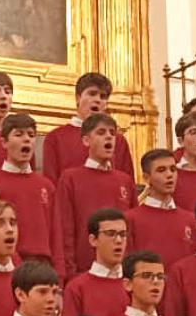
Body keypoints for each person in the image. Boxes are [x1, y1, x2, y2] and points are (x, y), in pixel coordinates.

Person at [56, 114, 137, 276]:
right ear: (86, 140)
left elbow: (132, 230)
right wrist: (69, 271)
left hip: (121, 273)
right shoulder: (70, 178)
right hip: (84, 270)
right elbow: (65, 227)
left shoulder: (125, 181)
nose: (108, 136)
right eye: (101, 132)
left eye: (112, 133)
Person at [0, 113, 63, 271]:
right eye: (19, 134)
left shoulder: (46, 186)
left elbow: (56, 234)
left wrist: (59, 274)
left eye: (31, 135)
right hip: (4, 264)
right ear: (4, 142)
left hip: (42, 266)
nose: (27, 139)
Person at [43, 73, 136, 182]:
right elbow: (51, 183)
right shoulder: (56, 137)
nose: (98, 100)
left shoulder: (118, 140)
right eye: (92, 94)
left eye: (103, 96)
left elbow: (127, 184)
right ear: (78, 98)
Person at [127, 150, 196, 264]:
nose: (169, 175)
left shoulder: (191, 220)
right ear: (146, 177)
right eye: (161, 170)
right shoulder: (131, 219)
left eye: (173, 169)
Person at [64, 209, 130, 316]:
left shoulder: (136, 284)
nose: (119, 240)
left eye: (122, 234)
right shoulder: (77, 288)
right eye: (111, 234)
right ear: (93, 240)